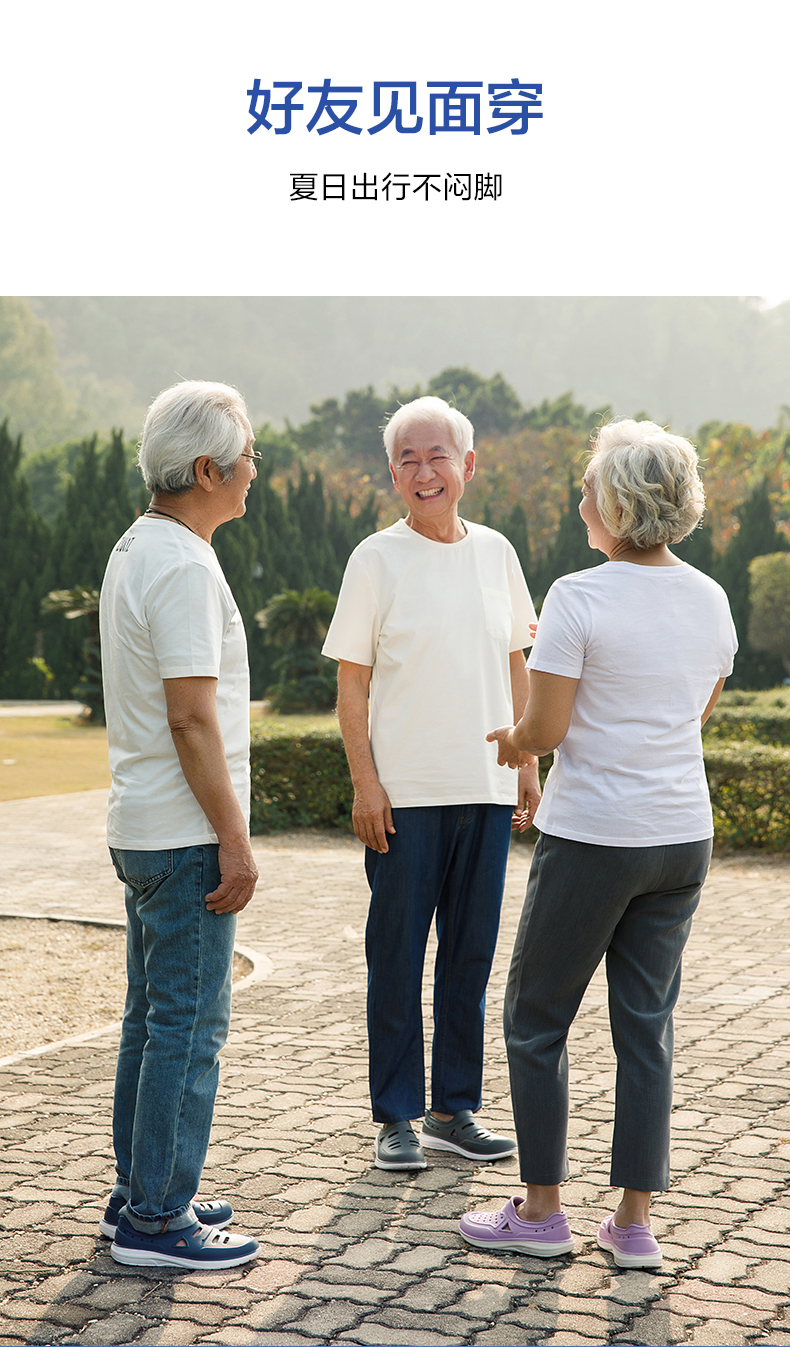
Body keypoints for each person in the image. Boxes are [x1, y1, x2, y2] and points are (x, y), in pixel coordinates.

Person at [459, 420, 738, 1267]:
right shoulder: (712, 598)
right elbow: (692, 714)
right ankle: (634, 1222)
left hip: (594, 839)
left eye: (588, 489)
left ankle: (542, 1212)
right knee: (645, 1028)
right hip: (682, 836)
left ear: (617, 505)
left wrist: (510, 743)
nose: (580, 499)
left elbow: (544, 729)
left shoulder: (579, 595)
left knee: (536, 1020)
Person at [322, 395, 540, 1170]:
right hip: (404, 797)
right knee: (397, 955)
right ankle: (395, 1117)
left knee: (470, 957)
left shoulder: (498, 554)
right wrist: (365, 783)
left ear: (468, 465)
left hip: (485, 786)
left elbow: (519, 662)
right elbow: (352, 687)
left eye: (437, 455)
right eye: (407, 459)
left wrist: (530, 763)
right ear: (392, 474)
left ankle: (455, 1108)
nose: (424, 471)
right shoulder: (374, 559)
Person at [98, 380, 261, 1270]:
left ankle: (142, 1188)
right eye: (246, 458)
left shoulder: (138, 546)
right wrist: (234, 839)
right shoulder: (186, 565)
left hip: (144, 824)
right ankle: (157, 1218)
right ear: (207, 468)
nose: (253, 473)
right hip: (184, 833)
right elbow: (192, 717)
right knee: (189, 1028)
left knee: (152, 1023)